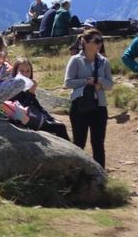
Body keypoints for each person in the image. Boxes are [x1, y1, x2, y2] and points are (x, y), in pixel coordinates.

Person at [64, 29, 113, 168]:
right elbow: (67, 82)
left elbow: (110, 85)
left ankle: (100, 178)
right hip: (80, 105)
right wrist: (87, 81)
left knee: (98, 143)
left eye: (101, 41)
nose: (99, 44)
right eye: (96, 41)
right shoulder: (75, 60)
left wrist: (100, 80)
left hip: (99, 105)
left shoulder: (104, 61)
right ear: (85, 42)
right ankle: (77, 174)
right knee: (79, 142)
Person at [7, 57, 70, 140]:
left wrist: (52, 119)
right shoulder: (12, 87)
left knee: (59, 125)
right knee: (60, 128)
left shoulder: (26, 86)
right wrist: (31, 93)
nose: (25, 74)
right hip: (22, 121)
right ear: (15, 71)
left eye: (27, 71)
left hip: (33, 118)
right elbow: (23, 109)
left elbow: (38, 106)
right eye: (22, 71)